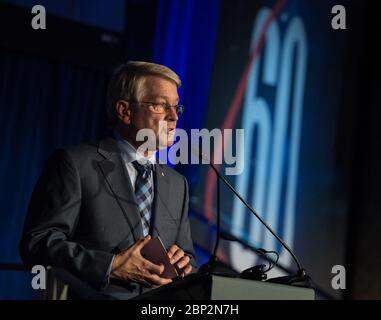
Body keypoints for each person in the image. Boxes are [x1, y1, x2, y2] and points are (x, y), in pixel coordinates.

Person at [19, 61, 196, 299]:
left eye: (176, 107)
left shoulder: (177, 184)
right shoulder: (76, 163)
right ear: (125, 111)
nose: (173, 117)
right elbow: (38, 243)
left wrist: (183, 263)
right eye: (160, 105)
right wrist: (109, 266)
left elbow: (187, 255)